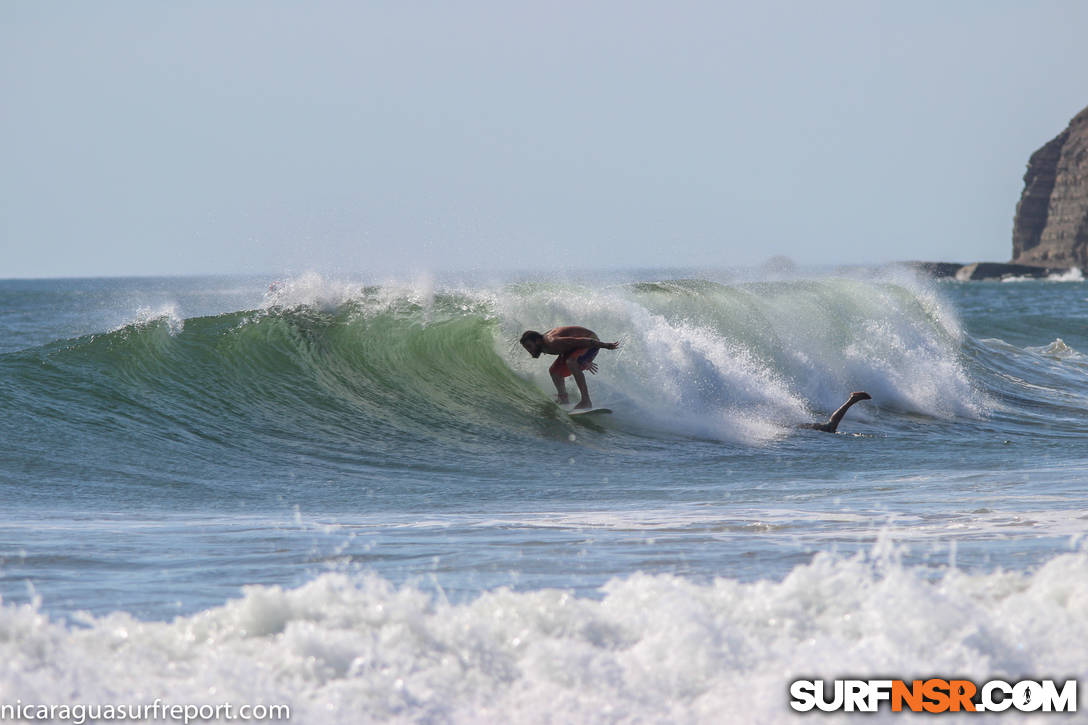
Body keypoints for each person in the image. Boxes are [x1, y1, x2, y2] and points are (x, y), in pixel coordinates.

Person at [519, 326, 619, 409]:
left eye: (529, 346)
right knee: (554, 372)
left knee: (571, 362)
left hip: (590, 341)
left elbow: (585, 341)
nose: (529, 351)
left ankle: (586, 401)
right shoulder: (543, 343)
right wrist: (582, 361)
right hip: (574, 348)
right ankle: (563, 398)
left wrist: (606, 345)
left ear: (537, 341)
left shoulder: (553, 342)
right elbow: (568, 347)